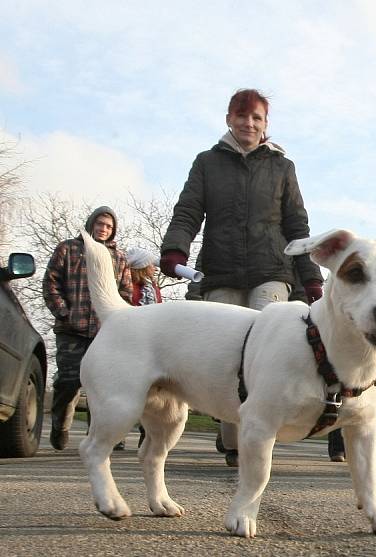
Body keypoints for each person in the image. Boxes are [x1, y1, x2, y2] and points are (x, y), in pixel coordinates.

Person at [160, 88, 324, 467]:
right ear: (229, 118)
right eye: (242, 115)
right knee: (224, 357)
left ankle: (256, 439)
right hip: (220, 271)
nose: (249, 123)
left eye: (257, 118)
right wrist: (175, 250)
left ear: (266, 124)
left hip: (272, 271)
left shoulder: (282, 167)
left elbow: (298, 225)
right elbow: (188, 211)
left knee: (267, 353)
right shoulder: (207, 163)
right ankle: (233, 442)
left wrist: (310, 277)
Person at [42, 206, 132, 451]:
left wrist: (118, 321)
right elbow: (51, 282)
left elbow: (126, 292)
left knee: (104, 386)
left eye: (109, 226)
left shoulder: (119, 258)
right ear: (92, 223)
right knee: (69, 382)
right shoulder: (68, 249)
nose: (103, 229)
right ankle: (60, 424)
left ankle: (104, 436)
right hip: (72, 329)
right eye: (100, 224)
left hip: (105, 332)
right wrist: (63, 311)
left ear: (113, 231)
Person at [126, 246, 163, 448]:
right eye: (150, 264)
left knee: (151, 390)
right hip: (133, 342)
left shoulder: (152, 286)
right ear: (142, 266)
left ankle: (145, 434)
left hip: (152, 343)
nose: (154, 268)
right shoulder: (130, 286)